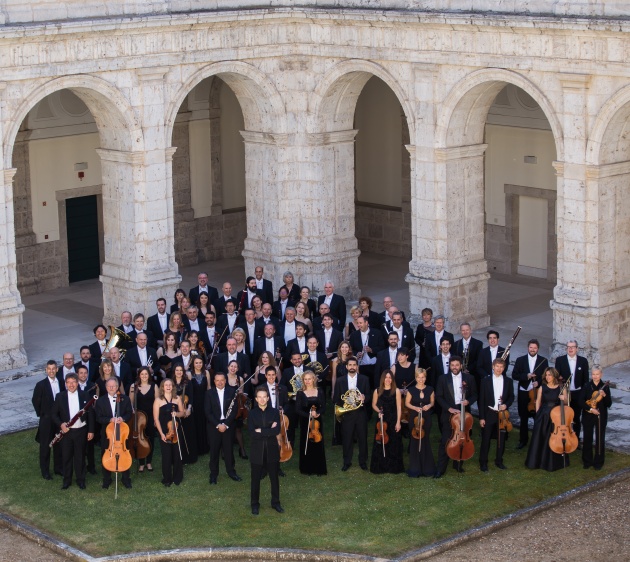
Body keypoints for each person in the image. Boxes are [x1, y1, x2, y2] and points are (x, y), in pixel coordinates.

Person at [434, 355, 478, 478]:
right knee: (446, 440)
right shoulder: (443, 378)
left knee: (462, 439)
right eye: (452, 365)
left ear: (461, 366)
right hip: (449, 412)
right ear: (450, 366)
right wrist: (449, 408)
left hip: (464, 413)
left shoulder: (469, 378)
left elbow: (475, 394)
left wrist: (468, 401)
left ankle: (458, 464)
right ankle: (440, 469)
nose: (454, 367)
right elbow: (439, 396)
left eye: (457, 365)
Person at [51, 373, 95, 490]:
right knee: (66, 456)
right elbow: (54, 414)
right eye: (68, 382)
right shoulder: (60, 396)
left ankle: (81, 480)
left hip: (81, 430)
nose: (71, 385)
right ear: (65, 384)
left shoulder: (85, 394)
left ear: (77, 383)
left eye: (73, 382)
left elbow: (90, 414)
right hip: (67, 433)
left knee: (80, 457)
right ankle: (67, 480)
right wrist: (61, 424)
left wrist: (91, 430)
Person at [525, 368, 570, 472]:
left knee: (553, 438)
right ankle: (537, 462)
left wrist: (564, 398)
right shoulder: (542, 387)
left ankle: (552, 463)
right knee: (540, 437)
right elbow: (538, 401)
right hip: (544, 414)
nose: (547, 377)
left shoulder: (561, 387)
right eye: (546, 375)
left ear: (554, 376)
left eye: (550, 375)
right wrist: (537, 413)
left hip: (556, 416)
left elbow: (566, 403)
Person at [248, 385, 283, 515]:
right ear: (256, 399)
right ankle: (254, 504)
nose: (262, 399)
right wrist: (268, 429)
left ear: (268, 398)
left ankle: (276, 503)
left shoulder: (274, 412)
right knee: (255, 479)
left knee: (274, 478)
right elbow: (252, 433)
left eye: (264, 397)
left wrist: (261, 430)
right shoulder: (252, 413)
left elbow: (277, 430)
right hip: (257, 451)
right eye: (259, 397)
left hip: (272, 449)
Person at [94, 377, 132, 489]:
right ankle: (107, 479)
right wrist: (110, 420)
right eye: (109, 386)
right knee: (106, 454)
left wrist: (122, 418)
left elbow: (129, 413)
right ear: (106, 387)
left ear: (117, 387)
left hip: (122, 433)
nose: (111, 388)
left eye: (114, 386)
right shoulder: (100, 401)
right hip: (108, 434)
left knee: (124, 454)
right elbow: (98, 418)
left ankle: (126, 479)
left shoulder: (125, 399)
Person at [204, 372, 242, 485]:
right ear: (214, 382)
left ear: (225, 381)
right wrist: (218, 425)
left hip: (228, 425)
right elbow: (207, 412)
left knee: (228, 450)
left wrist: (225, 425)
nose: (220, 382)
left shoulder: (232, 392)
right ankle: (213, 474)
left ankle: (231, 472)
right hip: (214, 426)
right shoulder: (209, 393)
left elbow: (234, 410)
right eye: (217, 380)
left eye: (222, 380)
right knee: (214, 451)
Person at [478, 358, 515, 472]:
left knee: (501, 439)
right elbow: (481, 400)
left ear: (504, 369)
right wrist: (482, 417)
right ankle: (483, 462)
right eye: (497, 366)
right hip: (489, 413)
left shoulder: (508, 381)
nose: (499, 369)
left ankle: (499, 461)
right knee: (486, 439)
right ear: (493, 367)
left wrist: (506, 405)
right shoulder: (485, 381)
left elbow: (511, 397)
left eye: (501, 367)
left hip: (502, 414)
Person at [511, 339, 549, 449]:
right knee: (523, 417)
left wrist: (539, 382)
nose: (532, 350)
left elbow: (546, 377)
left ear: (538, 349)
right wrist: (526, 376)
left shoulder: (543, 361)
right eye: (531, 347)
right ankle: (523, 440)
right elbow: (514, 375)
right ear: (528, 347)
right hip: (524, 392)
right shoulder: (520, 360)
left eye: (535, 348)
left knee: (538, 417)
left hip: (537, 394)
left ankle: (537, 441)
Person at [334, 357, 370, 471]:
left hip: (360, 413)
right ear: (346, 367)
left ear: (357, 366)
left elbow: (369, 396)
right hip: (347, 414)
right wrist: (345, 405)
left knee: (362, 438)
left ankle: (363, 461)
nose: (352, 367)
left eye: (354, 365)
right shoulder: (340, 380)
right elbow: (336, 398)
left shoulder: (364, 379)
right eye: (350, 365)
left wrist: (364, 398)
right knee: (347, 438)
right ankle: (347, 461)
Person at [32, 360, 64, 480]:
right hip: (46, 420)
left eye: (53, 369)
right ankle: (45, 471)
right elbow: (35, 401)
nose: (51, 371)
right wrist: (43, 414)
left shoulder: (61, 382)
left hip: (59, 419)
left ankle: (58, 468)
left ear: (57, 370)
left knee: (59, 444)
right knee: (45, 446)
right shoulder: (41, 385)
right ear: (46, 370)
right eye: (49, 369)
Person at [555, 340, 590, 444]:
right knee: (564, 416)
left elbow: (586, 380)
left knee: (576, 417)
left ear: (577, 349)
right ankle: (564, 438)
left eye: (572, 347)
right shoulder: (560, 360)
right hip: (565, 393)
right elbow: (557, 377)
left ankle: (576, 439)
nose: (570, 349)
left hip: (578, 393)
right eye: (568, 347)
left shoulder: (583, 361)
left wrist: (584, 395)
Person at [370, 370, 404, 474]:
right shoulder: (377, 390)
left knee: (394, 443)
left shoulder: (396, 391)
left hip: (393, 419)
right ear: (383, 379)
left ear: (392, 379)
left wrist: (398, 422)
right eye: (386, 377)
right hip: (381, 420)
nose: (388, 380)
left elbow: (399, 407)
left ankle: (393, 467)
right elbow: (374, 404)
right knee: (381, 442)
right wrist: (378, 411)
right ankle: (381, 466)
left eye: (390, 377)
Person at [153, 378, 185, 486]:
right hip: (164, 430)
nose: (168, 387)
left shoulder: (177, 399)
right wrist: (161, 433)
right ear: (162, 387)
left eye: (170, 385)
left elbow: (183, 413)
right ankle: (167, 478)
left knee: (177, 453)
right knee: (166, 455)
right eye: (166, 385)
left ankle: (177, 477)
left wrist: (177, 414)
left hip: (175, 430)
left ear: (173, 387)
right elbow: (156, 419)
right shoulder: (158, 400)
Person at [406, 368, 436, 477]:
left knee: (425, 440)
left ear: (425, 377)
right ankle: (415, 468)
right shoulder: (411, 390)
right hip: (415, 418)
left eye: (423, 377)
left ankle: (427, 467)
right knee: (415, 440)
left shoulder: (430, 389)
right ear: (416, 378)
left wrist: (429, 405)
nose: (421, 379)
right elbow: (407, 403)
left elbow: (432, 402)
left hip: (426, 418)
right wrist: (415, 408)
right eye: (419, 377)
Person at [296, 370, 327, 475]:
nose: (307, 381)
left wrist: (317, 413)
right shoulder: (300, 393)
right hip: (306, 421)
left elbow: (324, 407)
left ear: (313, 379)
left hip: (317, 421)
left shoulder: (320, 391)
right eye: (305, 379)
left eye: (309, 379)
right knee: (306, 443)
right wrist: (309, 415)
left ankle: (319, 468)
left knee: (318, 443)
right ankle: (307, 468)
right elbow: (298, 409)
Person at [581, 365, 611, 470]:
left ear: (601, 374)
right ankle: (587, 461)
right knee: (587, 437)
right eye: (593, 374)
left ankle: (598, 462)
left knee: (599, 438)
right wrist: (590, 409)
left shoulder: (605, 387)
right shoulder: (587, 386)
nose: (595, 376)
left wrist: (604, 395)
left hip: (600, 416)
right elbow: (581, 401)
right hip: (588, 415)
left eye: (597, 374)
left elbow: (609, 404)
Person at [128, 367, 156, 473]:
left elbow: (156, 403)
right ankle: (141, 463)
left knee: (150, 439)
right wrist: (132, 412)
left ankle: (149, 462)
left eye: (146, 374)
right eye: (142, 374)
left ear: (149, 375)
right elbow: (130, 402)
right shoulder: (133, 386)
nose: (144, 376)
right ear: (139, 375)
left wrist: (155, 418)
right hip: (138, 418)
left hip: (150, 416)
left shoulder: (154, 386)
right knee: (138, 440)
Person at [171, 364, 198, 464]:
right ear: (174, 371)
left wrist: (189, 409)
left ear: (183, 372)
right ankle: (177, 457)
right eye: (177, 370)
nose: (179, 372)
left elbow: (191, 397)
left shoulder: (188, 383)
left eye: (181, 370)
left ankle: (189, 457)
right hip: (174, 411)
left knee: (188, 434)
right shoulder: (171, 383)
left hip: (186, 411)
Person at [189, 355, 211, 457]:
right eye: (196, 363)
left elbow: (209, 388)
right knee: (195, 424)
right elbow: (189, 391)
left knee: (204, 423)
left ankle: (205, 446)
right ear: (193, 364)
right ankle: (197, 447)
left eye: (200, 363)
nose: (198, 365)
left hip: (204, 401)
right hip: (194, 402)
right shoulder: (189, 374)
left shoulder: (206, 373)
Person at [226, 360, 248, 459]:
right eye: (231, 366)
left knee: (238, 429)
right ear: (228, 367)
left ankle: (242, 449)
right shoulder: (223, 378)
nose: (233, 368)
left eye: (235, 367)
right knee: (226, 429)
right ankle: (224, 450)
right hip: (226, 406)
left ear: (238, 369)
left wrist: (240, 392)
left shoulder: (240, 379)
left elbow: (242, 395)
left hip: (237, 407)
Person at [453, 322, 483, 387]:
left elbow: (478, 359)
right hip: (459, 373)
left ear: (470, 330)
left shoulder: (478, 343)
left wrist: (468, 369)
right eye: (463, 330)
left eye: (467, 330)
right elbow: (455, 358)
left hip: (473, 373)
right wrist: (461, 368)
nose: (465, 332)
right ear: (460, 331)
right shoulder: (456, 344)